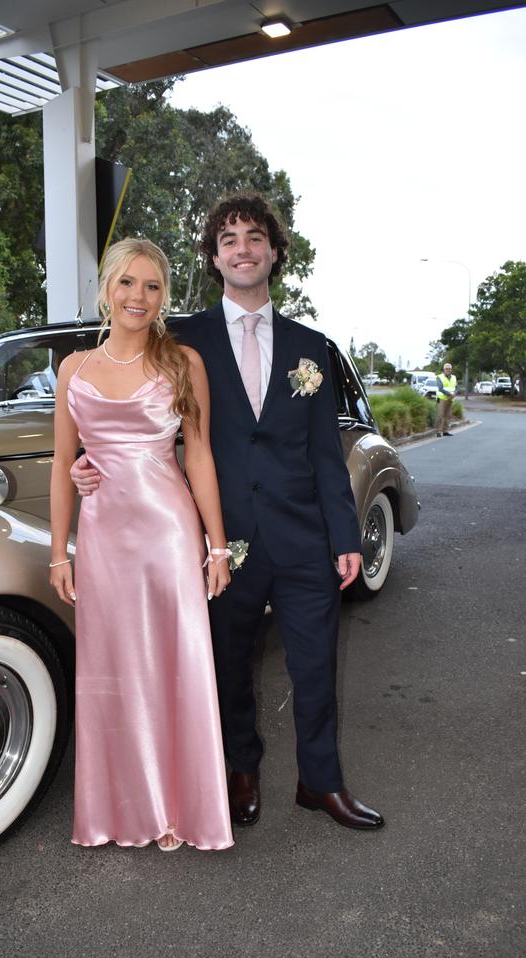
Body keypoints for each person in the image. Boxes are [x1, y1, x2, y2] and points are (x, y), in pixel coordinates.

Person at [72, 194, 383, 832]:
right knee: (228, 662)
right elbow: (121, 398)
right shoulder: (180, 340)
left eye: (254, 237)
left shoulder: (311, 346)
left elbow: (326, 451)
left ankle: (321, 783)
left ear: (273, 250)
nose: (242, 248)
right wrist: (90, 461)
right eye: (228, 239)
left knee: (316, 663)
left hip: (304, 538)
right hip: (220, 539)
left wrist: (345, 535)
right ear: (214, 257)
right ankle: (240, 771)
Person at [50, 237, 233, 853]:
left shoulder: (184, 363)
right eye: (128, 283)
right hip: (103, 536)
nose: (139, 297)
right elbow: (62, 463)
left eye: (152, 286)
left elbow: (199, 455)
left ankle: (178, 808)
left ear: (165, 296)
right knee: (113, 668)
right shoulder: (73, 369)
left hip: (167, 533)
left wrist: (216, 546)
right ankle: (122, 807)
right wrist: (59, 551)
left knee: (173, 664)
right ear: (106, 287)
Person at [436, 362, 457, 437]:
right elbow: (440, 388)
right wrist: (450, 394)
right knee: (440, 415)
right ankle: (438, 432)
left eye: (450, 369)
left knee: (448, 415)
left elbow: (456, 387)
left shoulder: (454, 377)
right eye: (447, 369)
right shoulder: (439, 377)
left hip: (450, 399)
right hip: (442, 399)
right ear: (444, 369)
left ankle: (445, 431)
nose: (448, 370)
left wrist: (455, 393)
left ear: (451, 370)